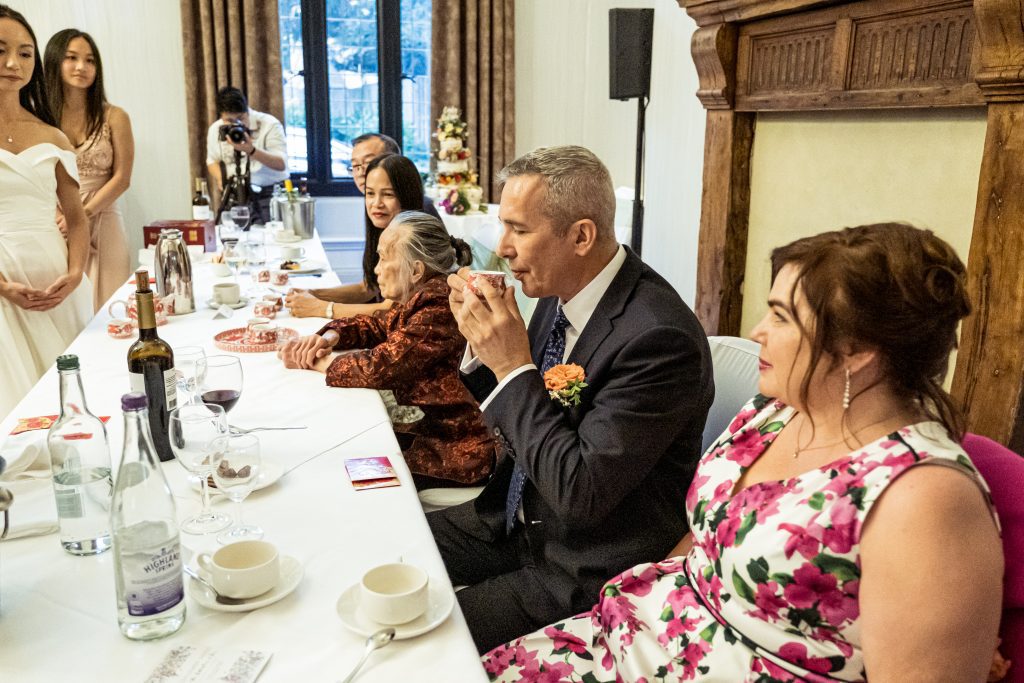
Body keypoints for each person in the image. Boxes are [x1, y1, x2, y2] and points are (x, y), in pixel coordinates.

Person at [483, 223, 1004, 681]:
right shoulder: (773, 411)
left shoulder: (925, 497)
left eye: (780, 317)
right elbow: (708, 535)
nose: (757, 331)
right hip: (626, 635)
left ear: (856, 352)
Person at [428, 145, 714, 653]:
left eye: (519, 229)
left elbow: (579, 493)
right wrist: (482, 349)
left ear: (580, 235)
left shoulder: (658, 338)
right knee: (392, 542)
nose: (503, 246)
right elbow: (522, 421)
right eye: (503, 226)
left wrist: (513, 365)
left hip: (583, 559)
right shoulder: (558, 293)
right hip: (511, 518)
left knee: (424, 633)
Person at [278, 211, 494, 487]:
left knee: (343, 471)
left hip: (458, 446)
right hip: (434, 430)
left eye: (384, 258)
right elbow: (378, 324)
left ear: (416, 270)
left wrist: (319, 362)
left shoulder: (440, 306)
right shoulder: (425, 294)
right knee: (343, 448)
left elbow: (384, 366)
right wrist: (331, 337)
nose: (377, 269)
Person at [0, 5, 92, 419]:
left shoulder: (51, 135)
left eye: (24, 53)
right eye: (0, 50)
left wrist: (75, 274)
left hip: (57, 280)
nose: (11, 63)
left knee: (74, 401)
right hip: (3, 283)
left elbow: (76, 218)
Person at [285, 133, 440, 317]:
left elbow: (392, 310)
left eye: (367, 163)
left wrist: (321, 308)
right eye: (355, 166)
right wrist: (313, 294)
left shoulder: (416, 221)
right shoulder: (380, 212)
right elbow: (370, 287)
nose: (360, 172)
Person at [44, 28, 133, 311]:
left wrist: (82, 214)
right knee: (66, 308)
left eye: (90, 60)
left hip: (104, 216)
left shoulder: (115, 116)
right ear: (55, 61)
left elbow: (122, 178)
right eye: (72, 58)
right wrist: (62, 216)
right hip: (55, 221)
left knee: (112, 307)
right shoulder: (39, 118)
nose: (82, 67)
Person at [205, 86, 287, 222]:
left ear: (247, 110)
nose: (236, 124)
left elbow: (281, 164)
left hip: (267, 194)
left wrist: (252, 150)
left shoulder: (269, 124)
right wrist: (221, 179)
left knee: (269, 240)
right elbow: (211, 161)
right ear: (221, 116)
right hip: (234, 194)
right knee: (231, 238)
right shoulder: (216, 129)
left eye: (241, 118)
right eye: (229, 121)